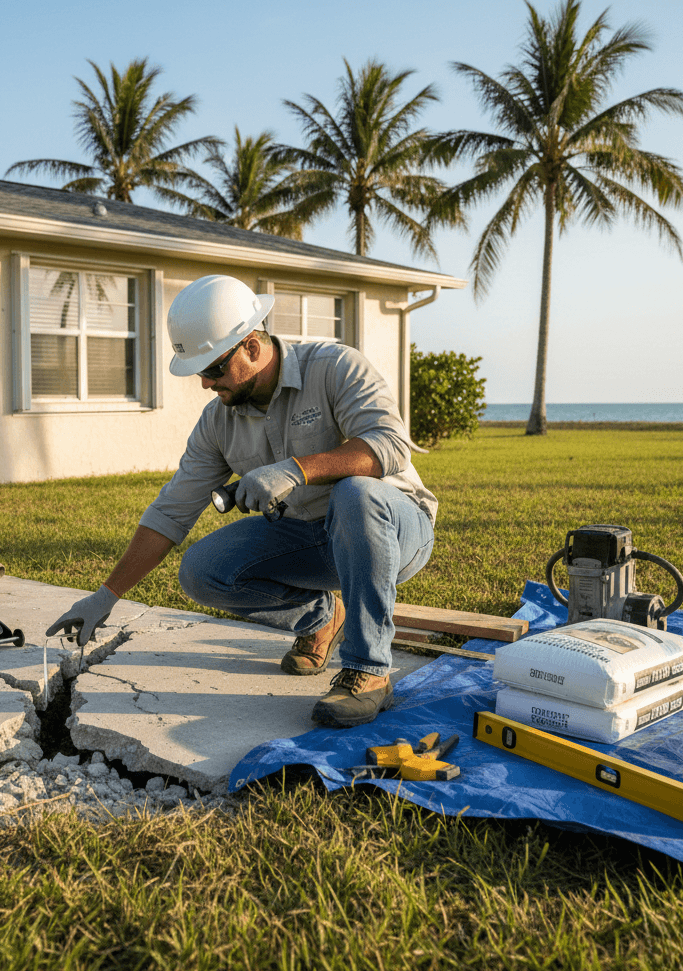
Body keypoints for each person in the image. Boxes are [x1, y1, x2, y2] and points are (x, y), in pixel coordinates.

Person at [46, 274, 437, 728]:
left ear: (251, 347)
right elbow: (172, 512)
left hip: (394, 528)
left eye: (213, 369)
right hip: (315, 538)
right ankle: (323, 617)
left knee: (356, 492)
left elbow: (390, 445)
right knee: (203, 570)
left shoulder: (333, 367)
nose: (207, 385)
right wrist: (104, 597)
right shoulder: (218, 423)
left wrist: (295, 469)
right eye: (200, 373)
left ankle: (369, 672)